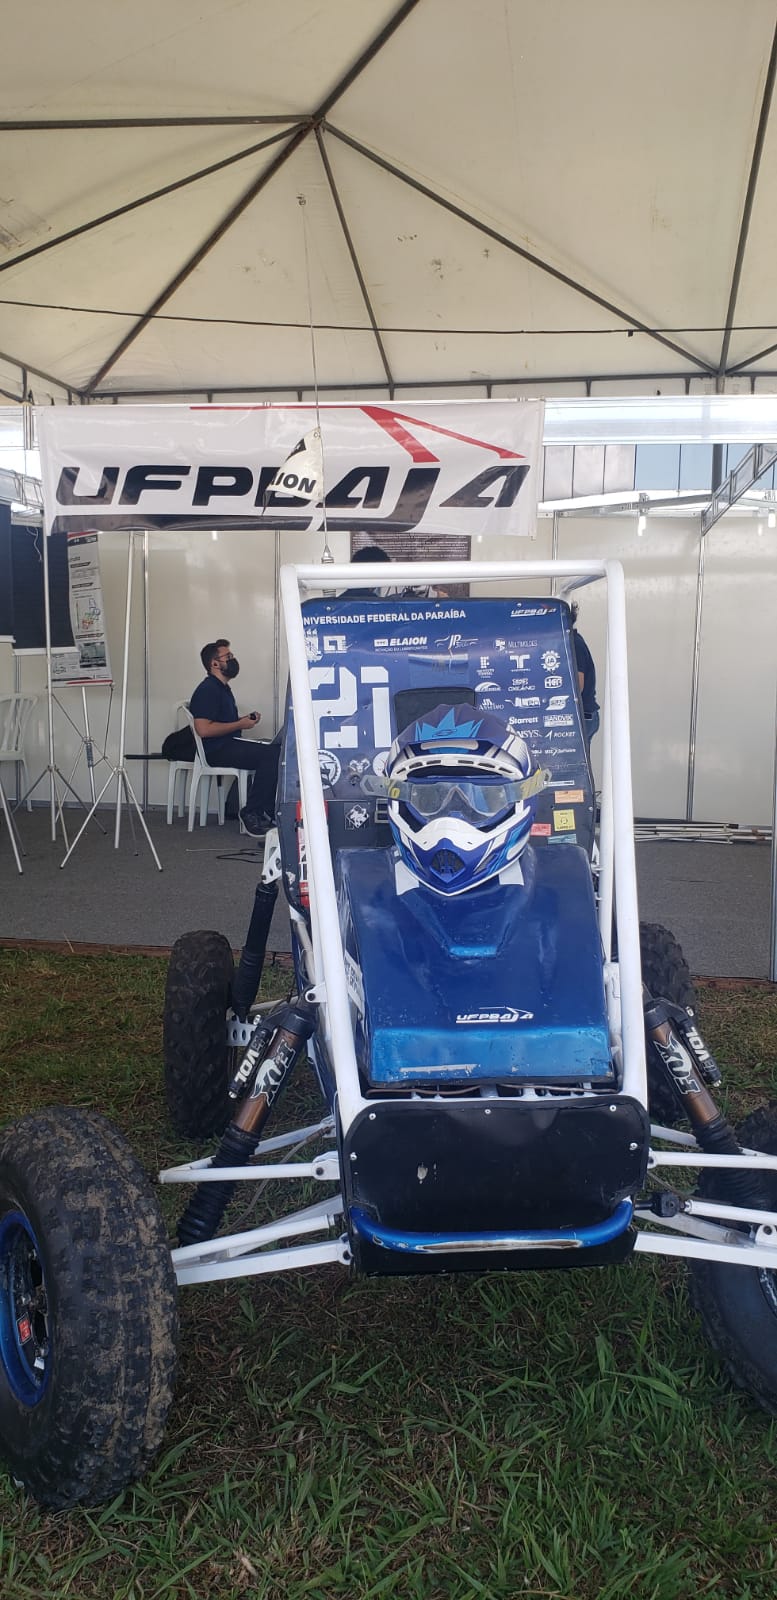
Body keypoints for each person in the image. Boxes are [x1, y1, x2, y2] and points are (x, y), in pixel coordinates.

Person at [189, 640, 280, 837]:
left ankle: (267, 810)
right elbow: (203, 729)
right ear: (214, 663)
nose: (232, 660)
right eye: (228, 657)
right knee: (271, 755)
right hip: (216, 750)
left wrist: (243, 721)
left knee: (274, 749)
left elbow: (221, 723)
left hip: (228, 744)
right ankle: (251, 813)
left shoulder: (222, 689)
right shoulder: (208, 690)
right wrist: (240, 725)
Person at [570, 603, 600, 745]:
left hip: (584, 716)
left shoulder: (574, 644)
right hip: (584, 715)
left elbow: (578, 685)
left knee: (573, 756)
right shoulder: (572, 641)